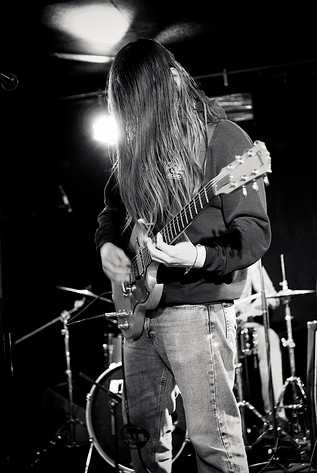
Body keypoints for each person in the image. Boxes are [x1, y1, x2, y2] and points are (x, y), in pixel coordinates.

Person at [95, 38, 271, 473]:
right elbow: (111, 212)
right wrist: (110, 249)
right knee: (141, 444)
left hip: (200, 315)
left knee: (215, 446)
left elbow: (255, 233)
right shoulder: (135, 151)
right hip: (140, 315)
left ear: (174, 82)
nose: (141, 120)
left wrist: (194, 256)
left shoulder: (225, 140)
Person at [234, 261, 288, 425]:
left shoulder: (253, 261)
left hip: (244, 324)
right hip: (217, 326)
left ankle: (276, 413)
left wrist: (253, 308)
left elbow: (272, 298)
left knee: (270, 338)